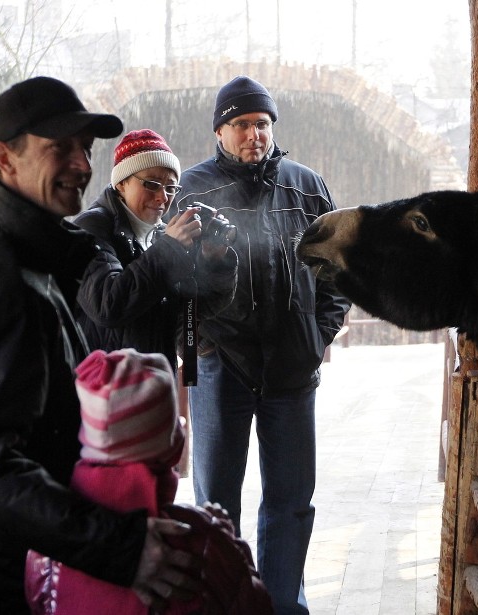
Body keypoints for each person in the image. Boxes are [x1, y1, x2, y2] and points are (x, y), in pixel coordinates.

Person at [0, 76, 202, 615]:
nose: (82, 165)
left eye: (85, 150)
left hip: (17, 564)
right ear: (5, 158)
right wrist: (121, 548)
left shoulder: (35, 253)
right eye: (58, 148)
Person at [173, 75, 351, 614]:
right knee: (216, 505)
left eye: (263, 124)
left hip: (292, 371)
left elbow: (339, 272)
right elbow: (169, 276)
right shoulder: (192, 190)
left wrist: (318, 336)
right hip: (219, 367)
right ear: (220, 131)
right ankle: (226, 604)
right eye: (243, 124)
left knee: (292, 503)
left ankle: (280, 605)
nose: (256, 134)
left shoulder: (306, 188)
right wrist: (195, 349)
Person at [25, 348, 273, 615]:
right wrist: (229, 543)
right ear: (171, 448)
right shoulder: (200, 541)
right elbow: (254, 604)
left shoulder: (48, 549)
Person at [73, 129, 237, 375]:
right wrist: (169, 249)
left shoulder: (163, 234)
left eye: (171, 188)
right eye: (151, 184)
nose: (162, 197)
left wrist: (213, 261)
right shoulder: (91, 228)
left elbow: (195, 310)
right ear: (121, 183)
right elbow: (108, 306)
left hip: (154, 383)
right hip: (105, 390)